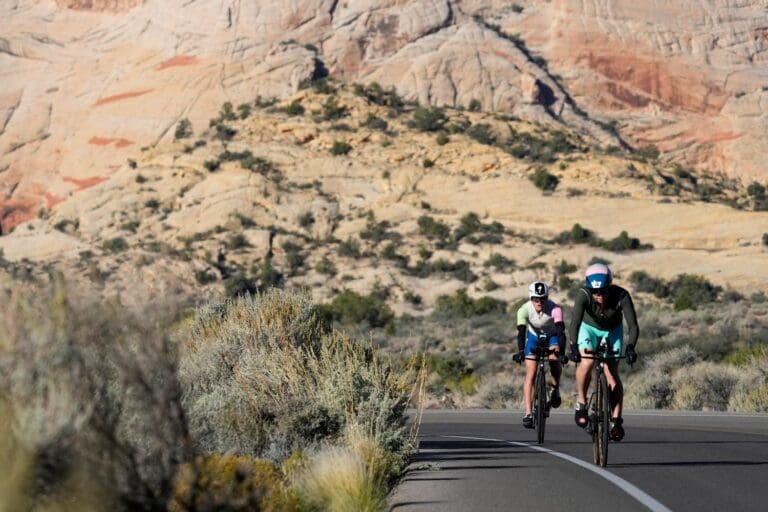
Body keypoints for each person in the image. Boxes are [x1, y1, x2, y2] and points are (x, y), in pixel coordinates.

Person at [568, 263, 638, 441]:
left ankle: (616, 420)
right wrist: (574, 346)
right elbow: (575, 323)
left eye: (603, 291)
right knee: (588, 361)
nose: (599, 296)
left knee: (611, 372)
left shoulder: (622, 295)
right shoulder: (583, 294)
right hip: (588, 329)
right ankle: (582, 403)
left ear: (610, 286)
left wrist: (630, 347)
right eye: (595, 292)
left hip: (612, 330)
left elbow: (633, 326)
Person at [513, 281, 568, 429]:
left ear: (547, 297)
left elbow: (561, 332)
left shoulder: (555, 309)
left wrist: (561, 353)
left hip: (552, 337)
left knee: (555, 361)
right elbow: (521, 333)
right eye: (536, 299)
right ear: (531, 298)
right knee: (531, 373)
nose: (539, 302)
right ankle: (528, 413)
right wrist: (520, 352)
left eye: (543, 298)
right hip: (533, 338)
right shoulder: (523, 310)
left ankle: (555, 389)